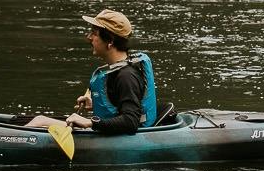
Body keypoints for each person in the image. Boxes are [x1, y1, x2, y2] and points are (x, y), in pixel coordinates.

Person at [19, 9, 159, 137]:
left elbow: (130, 122)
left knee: (40, 121)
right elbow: (123, 104)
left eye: (94, 33)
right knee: (39, 120)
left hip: (120, 139)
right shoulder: (117, 70)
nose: (89, 37)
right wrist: (98, 103)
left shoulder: (126, 76)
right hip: (109, 133)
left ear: (110, 41)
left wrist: (90, 122)